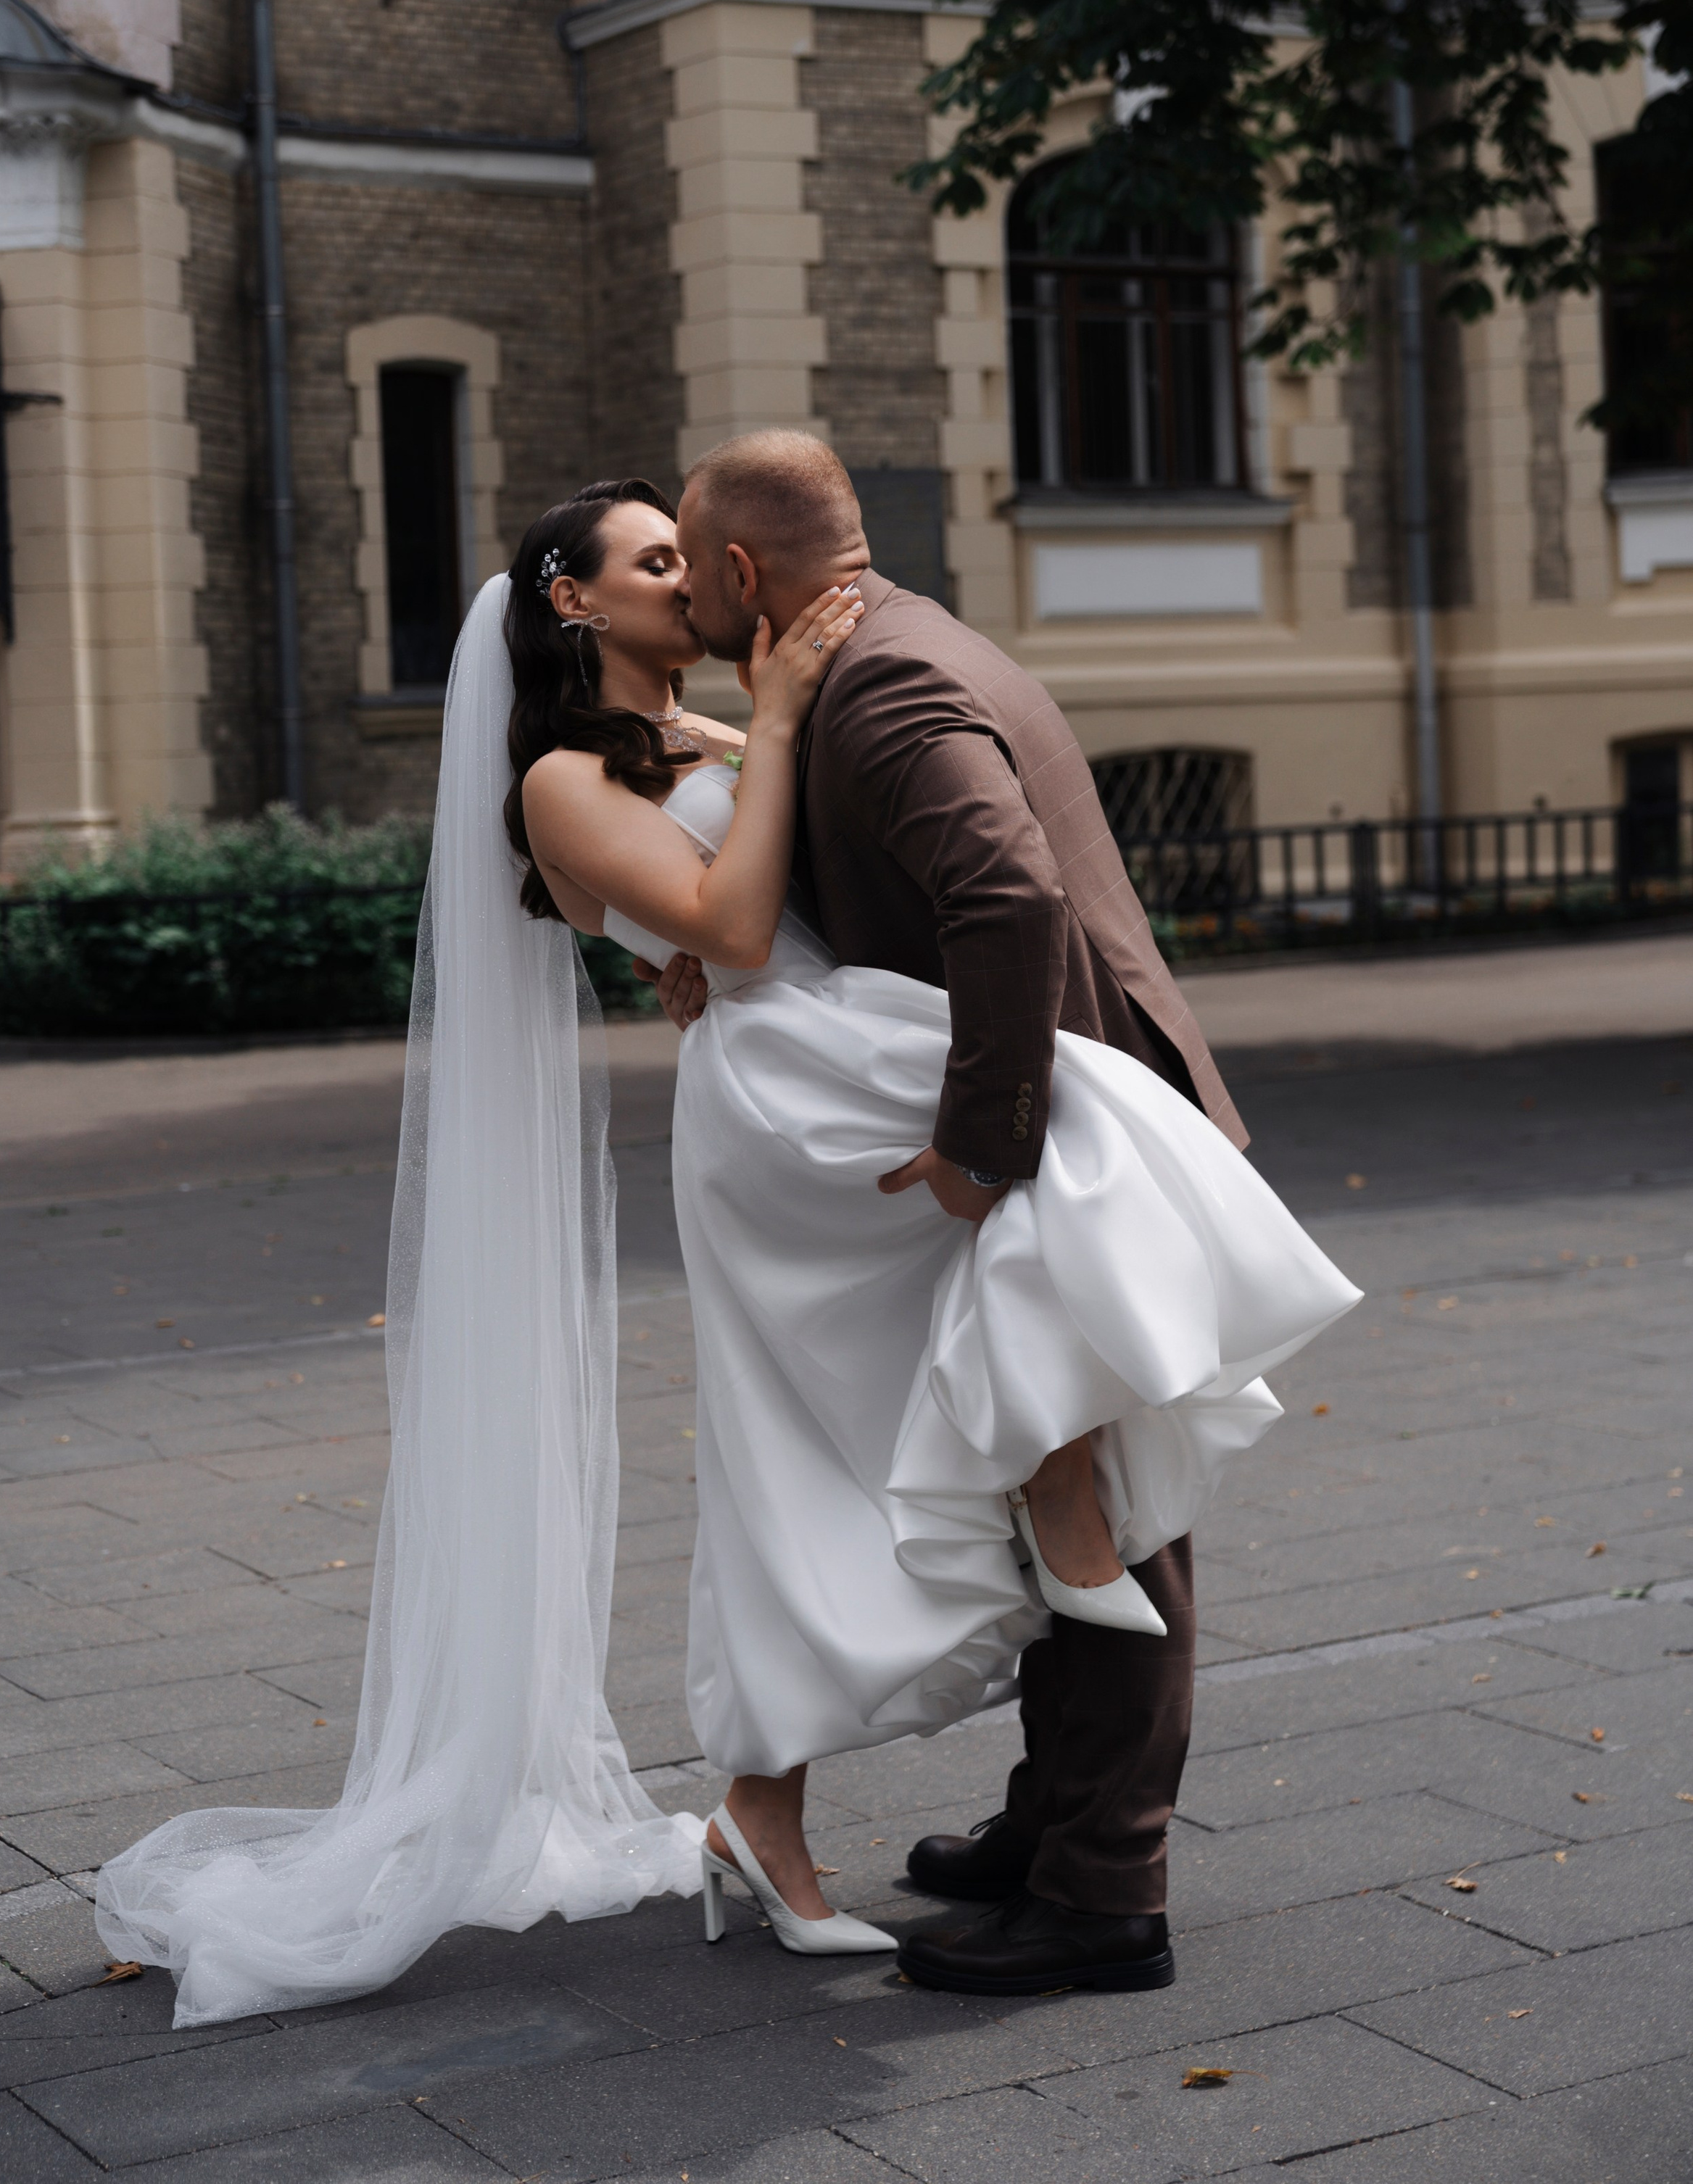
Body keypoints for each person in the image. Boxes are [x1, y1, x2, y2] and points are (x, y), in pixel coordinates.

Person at [526, 447, 1359, 1993]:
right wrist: (685, 922)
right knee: (1039, 1447)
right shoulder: (804, 678)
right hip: (859, 1086)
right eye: (639, 564)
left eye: (681, 560)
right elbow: (707, 889)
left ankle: (1102, 1888)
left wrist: (982, 1145)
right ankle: (1051, 1821)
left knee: (1103, 1492)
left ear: (743, 577)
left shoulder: (876, 682)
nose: (676, 585)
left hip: (999, 1099)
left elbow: (1003, 901)